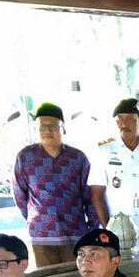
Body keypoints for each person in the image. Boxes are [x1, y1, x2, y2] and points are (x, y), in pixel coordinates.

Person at [13, 102, 99, 266]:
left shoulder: (77, 158)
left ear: (63, 128)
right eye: (42, 126)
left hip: (74, 233)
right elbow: (19, 194)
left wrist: (91, 229)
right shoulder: (25, 157)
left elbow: (89, 196)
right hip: (41, 236)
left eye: (53, 125)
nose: (47, 130)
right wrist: (36, 218)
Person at [88, 97, 139, 258]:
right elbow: (96, 197)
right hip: (119, 233)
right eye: (120, 119)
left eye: (130, 119)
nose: (124, 123)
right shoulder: (104, 152)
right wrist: (108, 229)